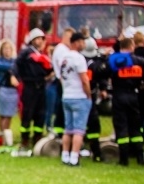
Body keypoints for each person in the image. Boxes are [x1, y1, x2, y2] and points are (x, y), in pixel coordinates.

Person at [107, 38, 144, 165]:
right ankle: (140, 157)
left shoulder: (114, 60)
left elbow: (104, 73)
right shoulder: (138, 61)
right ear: (131, 46)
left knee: (121, 126)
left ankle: (124, 159)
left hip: (119, 95)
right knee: (136, 126)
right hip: (134, 95)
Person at [15, 28, 53, 153]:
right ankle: (24, 140)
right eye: (37, 38)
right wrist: (20, 77)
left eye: (41, 38)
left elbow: (47, 69)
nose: (39, 41)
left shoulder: (42, 55)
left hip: (41, 87)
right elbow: (17, 65)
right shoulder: (26, 53)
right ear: (32, 40)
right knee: (27, 113)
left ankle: (37, 139)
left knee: (40, 114)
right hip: (30, 87)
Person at [59, 33, 91, 166]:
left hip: (67, 95)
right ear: (76, 42)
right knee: (79, 130)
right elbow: (84, 79)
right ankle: (74, 157)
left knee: (68, 129)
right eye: (82, 42)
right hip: (79, 96)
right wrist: (88, 94)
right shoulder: (79, 58)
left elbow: (61, 77)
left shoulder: (64, 57)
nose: (84, 45)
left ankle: (65, 155)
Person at [48, 28, 74, 135]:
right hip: (62, 83)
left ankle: (62, 129)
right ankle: (59, 131)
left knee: (62, 108)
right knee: (61, 109)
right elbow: (64, 68)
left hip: (64, 83)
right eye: (70, 38)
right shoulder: (62, 50)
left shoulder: (64, 49)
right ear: (64, 37)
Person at [0, 39, 19, 140]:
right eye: (5, 48)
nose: (7, 50)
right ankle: (2, 135)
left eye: (9, 48)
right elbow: (3, 67)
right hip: (3, 89)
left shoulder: (14, 61)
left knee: (9, 115)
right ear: (1, 50)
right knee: (3, 114)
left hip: (13, 91)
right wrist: (13, 68)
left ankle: (6, 136)